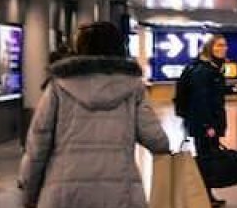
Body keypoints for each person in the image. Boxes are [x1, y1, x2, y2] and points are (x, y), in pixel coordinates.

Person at [20, 22, 173, 208]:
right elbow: (157, 140)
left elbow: (38, 145)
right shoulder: (133, 87)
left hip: (65, 191)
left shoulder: (58, 86)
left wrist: (29, 192)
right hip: (120, 192)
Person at [175, 36, 234, 207]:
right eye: (219, 45)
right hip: (205, 124)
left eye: (225, 45)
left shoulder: (211, 68)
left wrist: (229, 90)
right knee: (206, 160)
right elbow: (200, 100)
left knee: (207, 159)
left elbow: (212, 93)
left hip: (206, 123)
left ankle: (207, 196)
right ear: (210, 48)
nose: (224, 48)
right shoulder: (204, 71)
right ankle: (205, 198)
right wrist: (207, 126)